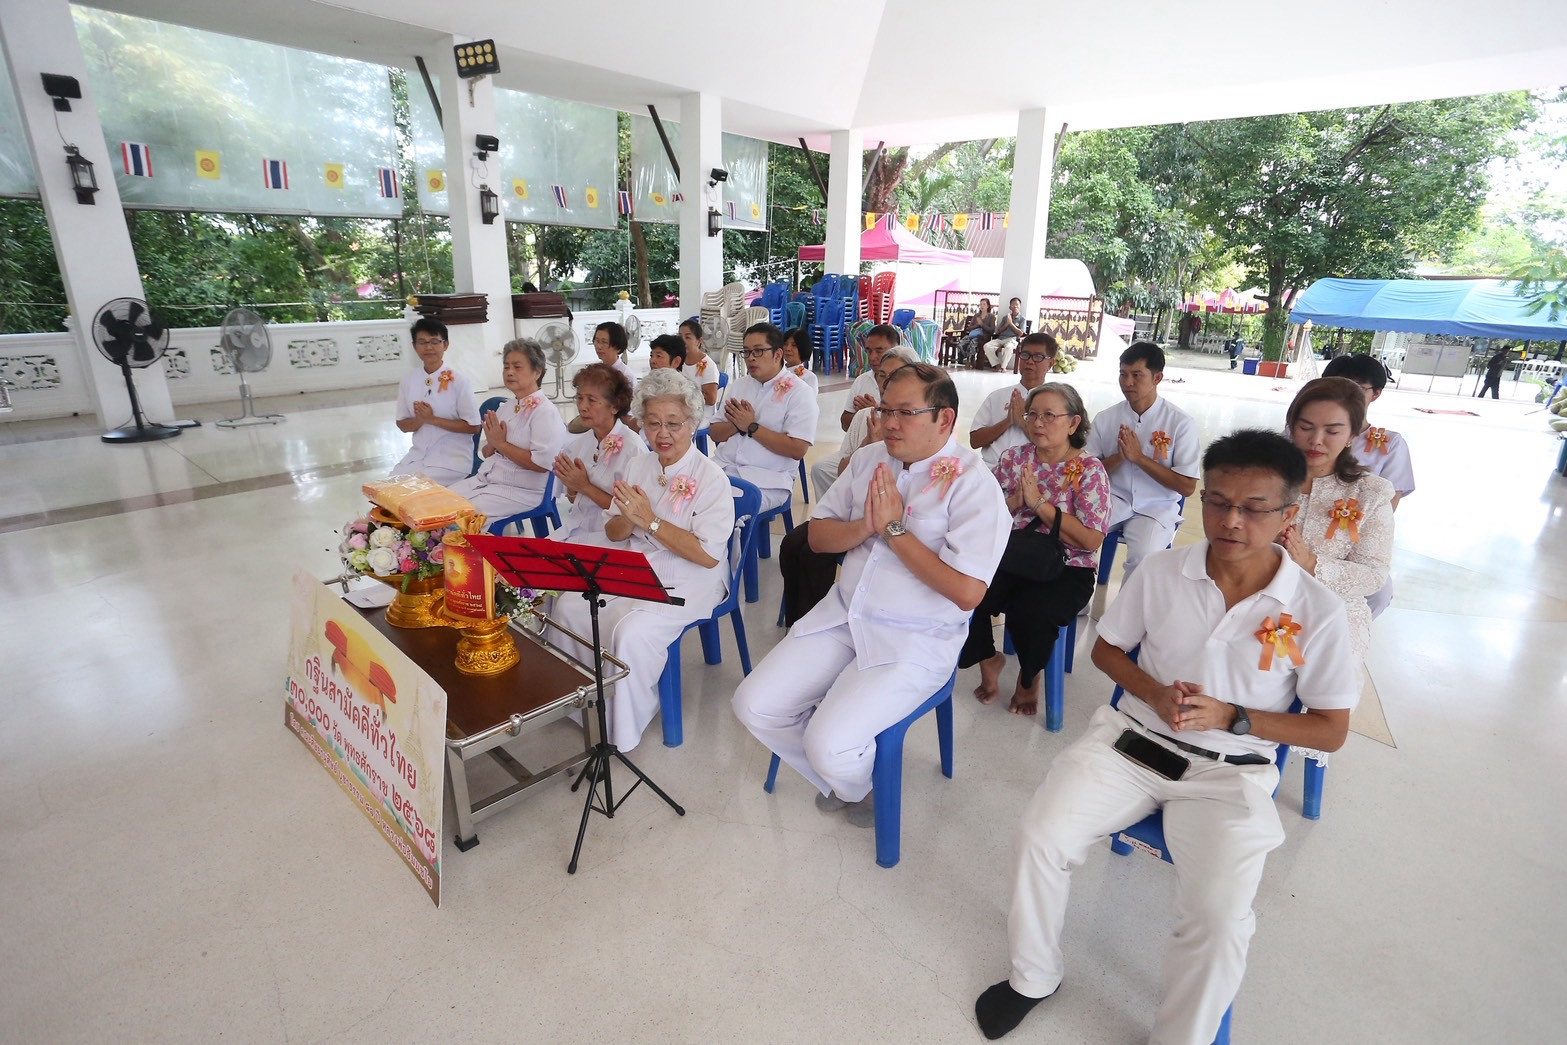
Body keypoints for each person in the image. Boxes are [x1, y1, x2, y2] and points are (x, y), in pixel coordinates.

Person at [975, 429, 1359, 1044]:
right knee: (1040, 836)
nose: (1231, 520)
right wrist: (1153, 693)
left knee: (1219, 916)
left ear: (1289, 514)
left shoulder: (1316, 609)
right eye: (1218, 501)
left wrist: (1236, 716)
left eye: (1254, 508)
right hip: (1133, 740)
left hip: (1229, 769)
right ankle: (1033, 975)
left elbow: (1331, 730)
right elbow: (1107, 649)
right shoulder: (1162, 570)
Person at [734, 363, 1010, 823]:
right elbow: (819, 538)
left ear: (945, 419)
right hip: (842, 616)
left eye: (905, 412)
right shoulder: (870, 460)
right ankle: (856, 782)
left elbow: (966, 593)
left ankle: (844, 766)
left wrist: (894, 530)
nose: (888, 424)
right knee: (752, 705)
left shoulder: (974, 487)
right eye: (884, 410)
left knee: (827, 742)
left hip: (914, 637)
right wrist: (865, 525)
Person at [547, 368, 734, 752]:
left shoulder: (712, 478)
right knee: (568, 608)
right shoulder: (639, 466)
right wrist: (627, 520)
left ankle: (624, 728)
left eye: (673, 424)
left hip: (691, 578)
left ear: (693, 423)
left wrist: (649, 520)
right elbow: (613, 531)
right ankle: (586, 702)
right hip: (635, 565)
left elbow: (707, 556)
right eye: (652, 423)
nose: (662, 434)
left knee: (631, 634)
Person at [960, 383, 1110, 716]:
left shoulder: (1089, 470)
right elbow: (987, 515)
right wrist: (1016, 501)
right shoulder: (1014, 458)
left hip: (1067, 566)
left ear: (1073, 423)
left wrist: (1040, 505)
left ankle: (1029, 678)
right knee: (963, 592)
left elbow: (1090, 540)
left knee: (1033, 612)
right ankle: (989, 659)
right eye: (1032, 415)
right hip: (1012, 554)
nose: (1038, 423)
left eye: (1049, 416)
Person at [783, 345, 918, 627]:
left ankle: (817, 623)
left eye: (895, 376)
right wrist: (870, 444)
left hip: (892, 521)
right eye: (882, 375)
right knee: (792, 543)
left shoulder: (917, 423)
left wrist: (885, 443)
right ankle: (799, 624)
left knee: (813, 553)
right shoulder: (865, 416)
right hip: (855, 512)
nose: (886, 383)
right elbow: (844, 471)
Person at [1281, 377, 1395, 661]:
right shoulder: (1263, 480)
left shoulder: (1371, 492)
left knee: (1324, 699)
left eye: (1332, 431)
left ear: (1353, 435)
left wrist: (1310, 563)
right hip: (1261, 608)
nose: (1316, 440)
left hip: (1334, 618)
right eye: (1305, 427)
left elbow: (1374, 575)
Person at [1084, 342, 1200, 580]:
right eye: (1123, 374)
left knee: (1144, 558)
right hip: (1111, 499)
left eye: (1137, 375)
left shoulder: (1180, 423)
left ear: (1157, 377)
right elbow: (1087, 473)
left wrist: (1139, 458)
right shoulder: (1106, 418)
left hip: (1155, 506)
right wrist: (1119, 457)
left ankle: (1127, 615)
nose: (1128, 383)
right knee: (1075, 536)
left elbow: (1187, 487)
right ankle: (1077, 604)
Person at [448, 339, 567, 522]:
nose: (509, 372)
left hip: (522, 490)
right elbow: (489, 453)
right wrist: (492, 445)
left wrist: (500, 444)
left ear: (537, 372)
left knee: (459, 519)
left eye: (517, 367)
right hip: (489, 480)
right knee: (440, 503)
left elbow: (541, 464)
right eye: (506, 367)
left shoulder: (545, 412)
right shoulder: (507, 407)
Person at [710, 323, 819, 513]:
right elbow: (715, 433)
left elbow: (797, 449)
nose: (751, 358)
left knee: (721, 511)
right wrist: (738, 425)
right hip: (723, 467)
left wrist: (752, 426)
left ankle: (734, 543)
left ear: (778, 355)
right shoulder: (740, 385)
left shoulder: (800, 392)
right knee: (683, 500)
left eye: (758, 351)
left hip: (768, 479)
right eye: (747, 352)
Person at [550, 363, 645, 544]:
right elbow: (573, 501)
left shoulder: (633, 449)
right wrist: (571, 485)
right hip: (576, 527)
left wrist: (584, 486)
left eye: (592, 400)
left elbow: (634, 513)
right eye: (579, 398)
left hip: (612, 537)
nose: (582, 407)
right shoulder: (578, 444)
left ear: (615, 406)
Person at [389, 318, 481, 484]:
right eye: (422, 342)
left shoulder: (459, 381)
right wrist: (419, 420)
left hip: (451, 460)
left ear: (445, 345)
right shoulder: (409, 380)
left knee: (411, 489)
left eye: (434, 341)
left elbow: (474, 426)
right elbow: (402, 424)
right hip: (418, 456)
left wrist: (432, 420)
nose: (428, 347)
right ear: (414, 346)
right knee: (389, 486)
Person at [970, 332, 1059, 468]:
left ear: (1051, 363)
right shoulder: (997, 396)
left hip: (1034, 475)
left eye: (1038, 357)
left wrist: (1022, 421)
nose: (1029, 361)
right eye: (1025, 355)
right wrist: (1008, 421)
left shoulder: (1058, 403)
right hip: (991, 470)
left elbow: (1055, 449)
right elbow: (975, 441)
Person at [839, 324, 900, 431]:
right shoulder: (862, 380)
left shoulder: (907, 383)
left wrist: (876, 411)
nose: (872, 357)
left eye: (879, 351)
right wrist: (865, 414)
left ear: (896, 349)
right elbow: (844, 424)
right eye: (869, 351)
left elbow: (905, 427)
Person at [679, 318, 721, 423]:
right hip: (680, 409)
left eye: (687, 337)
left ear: (699, 341)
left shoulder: (708, 365)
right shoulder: (677, 360)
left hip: (702, 414)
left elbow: (711, 399)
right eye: (679, 337)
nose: (682, 341)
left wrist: (683, 397)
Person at [983, 297, 1027, 371]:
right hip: (1001, 338)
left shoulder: (1022, 319)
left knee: (1009, 348)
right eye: (1013, 305)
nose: (1015, 306)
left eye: (1017, 305)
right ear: (1010, 307)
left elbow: (1020, 333)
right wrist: (1007, 324)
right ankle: (997, 364)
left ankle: (1003, 367)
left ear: (1020, 307)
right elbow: (998, 331)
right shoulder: (1005, 318)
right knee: (987, 346)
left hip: (1012, 339)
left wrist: (1011, 324)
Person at [593, 321, 637, 393]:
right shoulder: (595, 370)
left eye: (604, 342)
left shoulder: (626, 375)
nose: (599, 346)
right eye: (597, 341)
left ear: (618, 347)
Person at [959, 299, 998, 367]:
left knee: (973, 343)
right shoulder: (976, 315)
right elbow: (969, 328)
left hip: (983, 337)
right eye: (981, 304)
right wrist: (977, 325)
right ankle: (963, 359)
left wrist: (982, 324)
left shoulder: (991, 317)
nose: (982, 306)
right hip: (972, 335)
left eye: (984, 304)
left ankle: (970, 361)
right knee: (961, 343)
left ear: (988, 306)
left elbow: (992, 330)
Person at [781, 327, 820, 392]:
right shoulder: (776, 372)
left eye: (794, 345)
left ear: (803, 349)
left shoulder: (809, 377)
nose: (788, 348)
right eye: (785, 344)